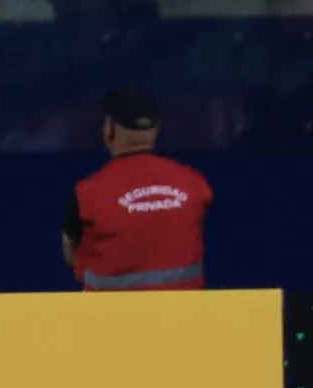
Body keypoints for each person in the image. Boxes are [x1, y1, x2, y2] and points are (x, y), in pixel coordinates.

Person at [62, 87, 214, 290]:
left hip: (110, 310)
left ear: (109, 129)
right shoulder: (194, 184)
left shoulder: (87, 195)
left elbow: (71, 254)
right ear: (156, 129)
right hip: (184, 309)